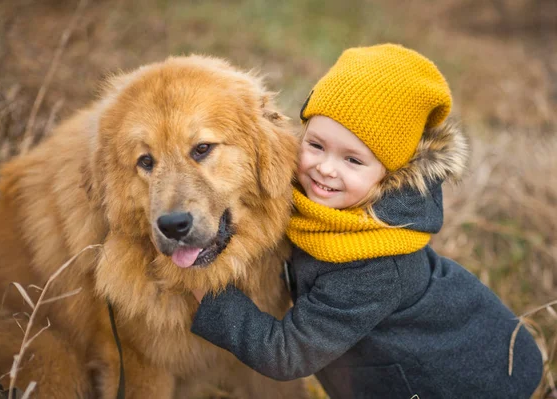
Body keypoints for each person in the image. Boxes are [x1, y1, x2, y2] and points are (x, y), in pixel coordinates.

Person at [190, 44, 543, 398]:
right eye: (316, 144)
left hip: (459, 384)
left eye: (353, 160)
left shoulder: (374, 266)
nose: (326, 167)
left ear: (389, 174)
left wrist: (212, 302)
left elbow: (288, 355)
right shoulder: (324, 204)